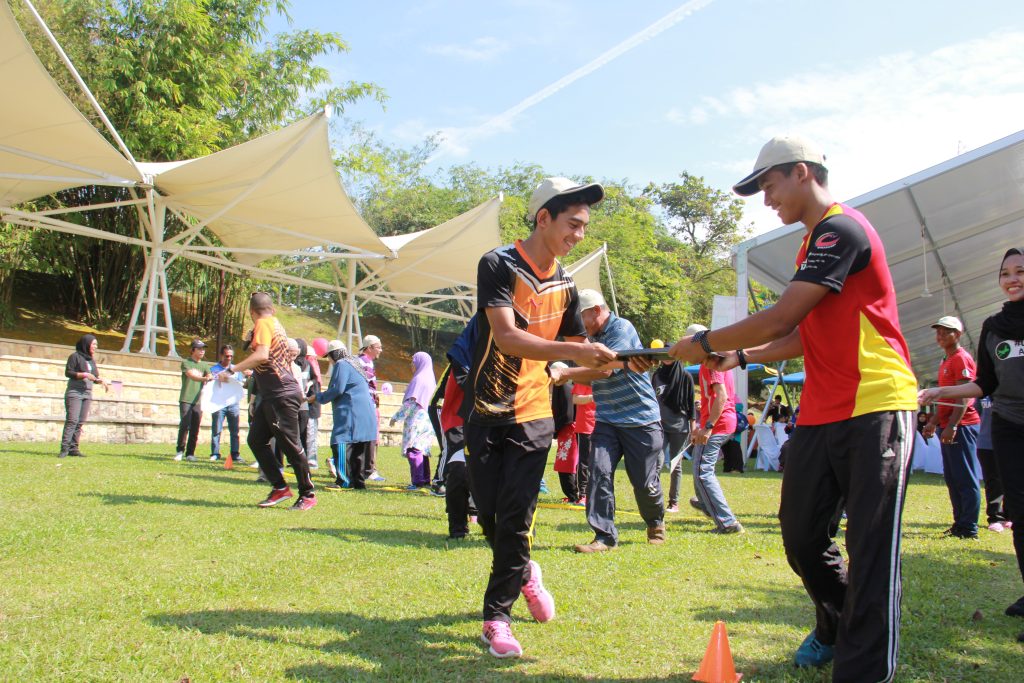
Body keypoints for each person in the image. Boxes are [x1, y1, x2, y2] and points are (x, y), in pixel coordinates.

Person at [668, 135, 919, 680]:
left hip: (878, 404)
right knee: (801, 535)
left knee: (871, 549)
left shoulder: (841, 230)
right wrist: (740, 355)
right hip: (823, 412)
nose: (766, 199)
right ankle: (837, 622)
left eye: (769, 184)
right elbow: (805, 333)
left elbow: (783, 316)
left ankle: (862, 668)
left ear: (801, 172)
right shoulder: (811, 244)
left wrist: (706, 341)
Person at [462, 177, 617, 658]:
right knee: (489, 515)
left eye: (584, 226)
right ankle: (526, 571)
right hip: (486, 410)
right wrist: (578, 352)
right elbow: (507, 337)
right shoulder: (498, 264)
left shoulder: (567, 285)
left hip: (534, 414)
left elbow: (572, 355)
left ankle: (497, 618)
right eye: (573, 224)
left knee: (515, 518)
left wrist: (605, 363)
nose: (579, 235)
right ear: (543, 217)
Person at [920, 247, 1024, 641]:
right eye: (1006, 273)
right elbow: (984, 385)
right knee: (1019, 513)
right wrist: (938, 392)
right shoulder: (994, 327)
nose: (1012, 279)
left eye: (1021, 271)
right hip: (1009, 427)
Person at [565, 289, 667, 553]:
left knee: (644, 483)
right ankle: (604, 537)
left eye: (581, 317)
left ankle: (655, 522)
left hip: (641, 420)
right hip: (607, 420)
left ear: (596, 311)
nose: (579, 324)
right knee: (598, 472)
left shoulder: (621, 328)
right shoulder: (590, 339)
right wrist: (567, 374)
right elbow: (587, 376)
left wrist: (565, 373)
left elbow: (606, 369)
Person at [229, 292, 316, 510]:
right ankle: (280, 487)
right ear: (273, 309)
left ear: (252, 312)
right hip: (272, 395)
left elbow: (261, 355)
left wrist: (232, 369)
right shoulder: (275, 324)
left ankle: (307, 494)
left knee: (291, 445)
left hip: (281, 394)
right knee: (256, 440)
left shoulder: (264, 324)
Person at [921, 315, 982, 539]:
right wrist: (933, 422)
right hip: (948, 425)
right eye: (938, 332)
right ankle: (959, 524)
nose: (940, 336)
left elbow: (963, 397)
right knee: (953, 476)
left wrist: (953, 425)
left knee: (964, 476)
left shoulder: (961, 359)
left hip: (963, 426)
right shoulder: (945, 360)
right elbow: (944, 400)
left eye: (946, 332)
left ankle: (969, 527)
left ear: (957, 334)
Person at [686, 323, 743, 534]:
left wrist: (708, 427)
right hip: (719, 423)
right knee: (698, 464)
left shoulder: (711, 363)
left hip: (719, 424)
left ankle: (728, 523)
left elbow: (722, 396)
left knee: (703, 472)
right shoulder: (709, 362)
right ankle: (706, 503)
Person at [317, 340, 377, 490]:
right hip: (365, 413)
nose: (329, 360)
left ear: (334, 354)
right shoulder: (355, 363)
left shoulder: (342, 364)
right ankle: (358, 482)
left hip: (351, 413)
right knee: (358, 449)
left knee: (340, 443)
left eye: (329, 357)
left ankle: (344, 481)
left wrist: (318, 397)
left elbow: (337, 389)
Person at [651, 354, 695, 513]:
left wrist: (693, 428)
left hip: (680, 428)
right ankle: (654, 499)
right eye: (664, 355)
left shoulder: (685, 376)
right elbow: (651, 400)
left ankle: (673, 502)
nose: (667, 358)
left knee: (675, 466)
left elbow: (691, 405)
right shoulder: (657, 375)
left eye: (670, 355)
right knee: (657, 462)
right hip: (659, 427)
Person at [390, 351, 437, 489]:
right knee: (422, 450)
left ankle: (417, 481)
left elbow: (411, 403)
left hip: (417, 420)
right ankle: (425, 480)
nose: (411, 364)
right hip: (427, 420)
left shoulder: (418, 380)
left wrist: (396, 417)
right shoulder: (430, 379)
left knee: (414, 450)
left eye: (413, 361)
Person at [59, 334, 110, 458]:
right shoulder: (74, 357)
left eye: (96, 344)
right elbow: (68, 372)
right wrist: (84, 375)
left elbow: (94, 377)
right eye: (94, 344)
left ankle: (74, 448)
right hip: (75, 393)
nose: (95, 346)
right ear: (86, 344)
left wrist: (100, 381)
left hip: (87, 393)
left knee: (80, 421)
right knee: (72, 420)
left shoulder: (90, 360)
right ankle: (64, 449)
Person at [975, 398, 1011, 533]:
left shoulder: (1012, 391)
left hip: (1011, 442)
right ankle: (995, 518)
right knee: (993, 482)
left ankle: (1010, 515)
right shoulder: (983, 394)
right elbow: (975, 414)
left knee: (1012, 481)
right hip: (986, 443)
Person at [175, 339, 212, 462]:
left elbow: (209, 374)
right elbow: (192, 376)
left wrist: (209, 376)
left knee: (195, 427)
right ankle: (180, 450)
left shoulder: (205, 365)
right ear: (193, 350)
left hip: (199, 401)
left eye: (203, 349)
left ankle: (190, 453)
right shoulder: (186, 363)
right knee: (185, 425)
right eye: (199, 349)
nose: (202, 351)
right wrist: (205, 379)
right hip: (186, 399)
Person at [209, 344, 247, 464]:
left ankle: (235, 454)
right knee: (216, 430)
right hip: (219, 403)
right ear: (221, 355)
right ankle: (215, 453)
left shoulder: (236, 369)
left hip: (233, 403)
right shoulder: (214, 369)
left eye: (231, 356)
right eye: (226, 356)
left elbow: (240, 383)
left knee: (235, 431)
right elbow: (215, 382)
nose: (229, 358)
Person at [358, 334, 386, 482]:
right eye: (378, 347)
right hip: (366, 405)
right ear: (369, 348)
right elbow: (366, 386)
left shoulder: (363, 361)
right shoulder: (365, 362)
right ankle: (369, 470)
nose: (380, 350)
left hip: (366, 404)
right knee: (370, 437)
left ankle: (365, 468)